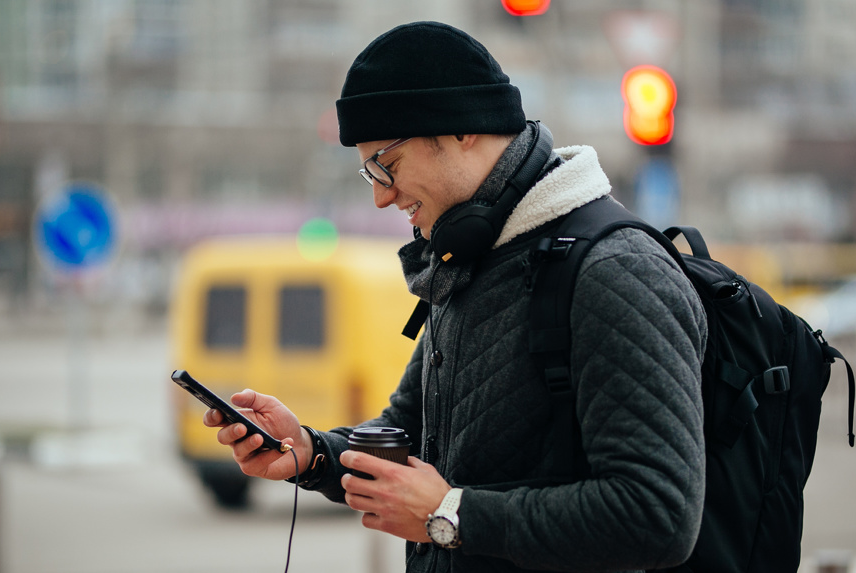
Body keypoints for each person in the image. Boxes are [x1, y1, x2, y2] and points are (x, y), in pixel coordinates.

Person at [204, 21, 708, 573]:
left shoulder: (616, 271)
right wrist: (309, 451)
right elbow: (408, 435)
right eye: (367, 173)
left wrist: (450, 514)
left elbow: (658, 516)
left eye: (386, 166)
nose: (379, 197)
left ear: (464, 129)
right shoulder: (470, 256)